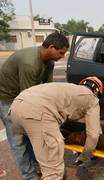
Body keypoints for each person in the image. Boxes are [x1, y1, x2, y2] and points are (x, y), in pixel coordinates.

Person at [0, 32, 69, 179]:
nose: (63, 56)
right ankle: (29, 176)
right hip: (8, 98)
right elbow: (28, 99)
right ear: (51, 47)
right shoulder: (29, 63)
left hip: (24, 95)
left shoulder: (49, 61)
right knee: (19, 141)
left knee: (33, 134)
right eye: (61, 53)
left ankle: (38, 166)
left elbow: (48, 89)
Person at [8, 77, 104, 180]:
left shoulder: (68, 89)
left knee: (43, 154)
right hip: (37, 113)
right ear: (97, 92)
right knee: (54, 172)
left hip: (14, 109)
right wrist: (84, 157)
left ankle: (41, 168)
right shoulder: (92, 99)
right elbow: (93, 135)